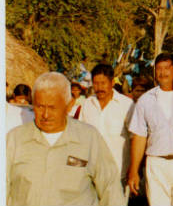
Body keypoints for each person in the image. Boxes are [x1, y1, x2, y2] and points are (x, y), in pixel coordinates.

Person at [6, 72, 124, 205]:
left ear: (69, 106)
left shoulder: (89, 138)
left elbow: (111, 188)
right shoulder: (15, 139)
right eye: (40, 106)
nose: (45, 114)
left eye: (52, 107)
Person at [127, 53, 173, 206]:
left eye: (167, 68)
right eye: (159, 68)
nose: (163, 72)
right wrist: (134, 170)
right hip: (156, 165)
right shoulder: (145, 100)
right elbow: (140, 137)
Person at [79, 64, 135, 202]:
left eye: (103, 83)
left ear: (111, 82)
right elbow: (80, 138)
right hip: (91, 174)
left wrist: (133, 168)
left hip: (118, 173)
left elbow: (135, 139)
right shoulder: (87, 104)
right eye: (96, 84)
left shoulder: (126, 105)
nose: (99, 88)